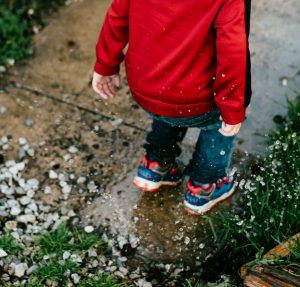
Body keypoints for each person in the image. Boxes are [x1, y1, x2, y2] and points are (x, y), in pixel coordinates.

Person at [92, 0, 252, 215]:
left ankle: (156, 164)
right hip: (196, 99)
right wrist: (232, 108)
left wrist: (105, 64)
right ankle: (204, 185)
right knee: (217, 125)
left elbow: (117, 17)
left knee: (167, 108)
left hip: (146, 88)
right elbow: (232, 50)